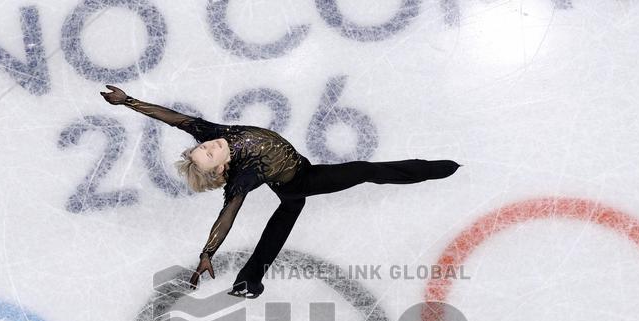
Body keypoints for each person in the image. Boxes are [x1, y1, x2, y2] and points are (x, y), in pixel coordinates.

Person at [100, 84, 461, 298]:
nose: (211, 146)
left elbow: (171, 117)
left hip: (291, 174)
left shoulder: (210, 132)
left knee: (281, 224)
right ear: (221, 169)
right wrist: (207, 253)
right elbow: (228, 215)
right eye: (210, 154)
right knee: (363, 172)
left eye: (205, 147)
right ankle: (435, 169)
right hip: (301, 179)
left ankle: (249, 281)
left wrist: (127, 100)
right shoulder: (244, 173)